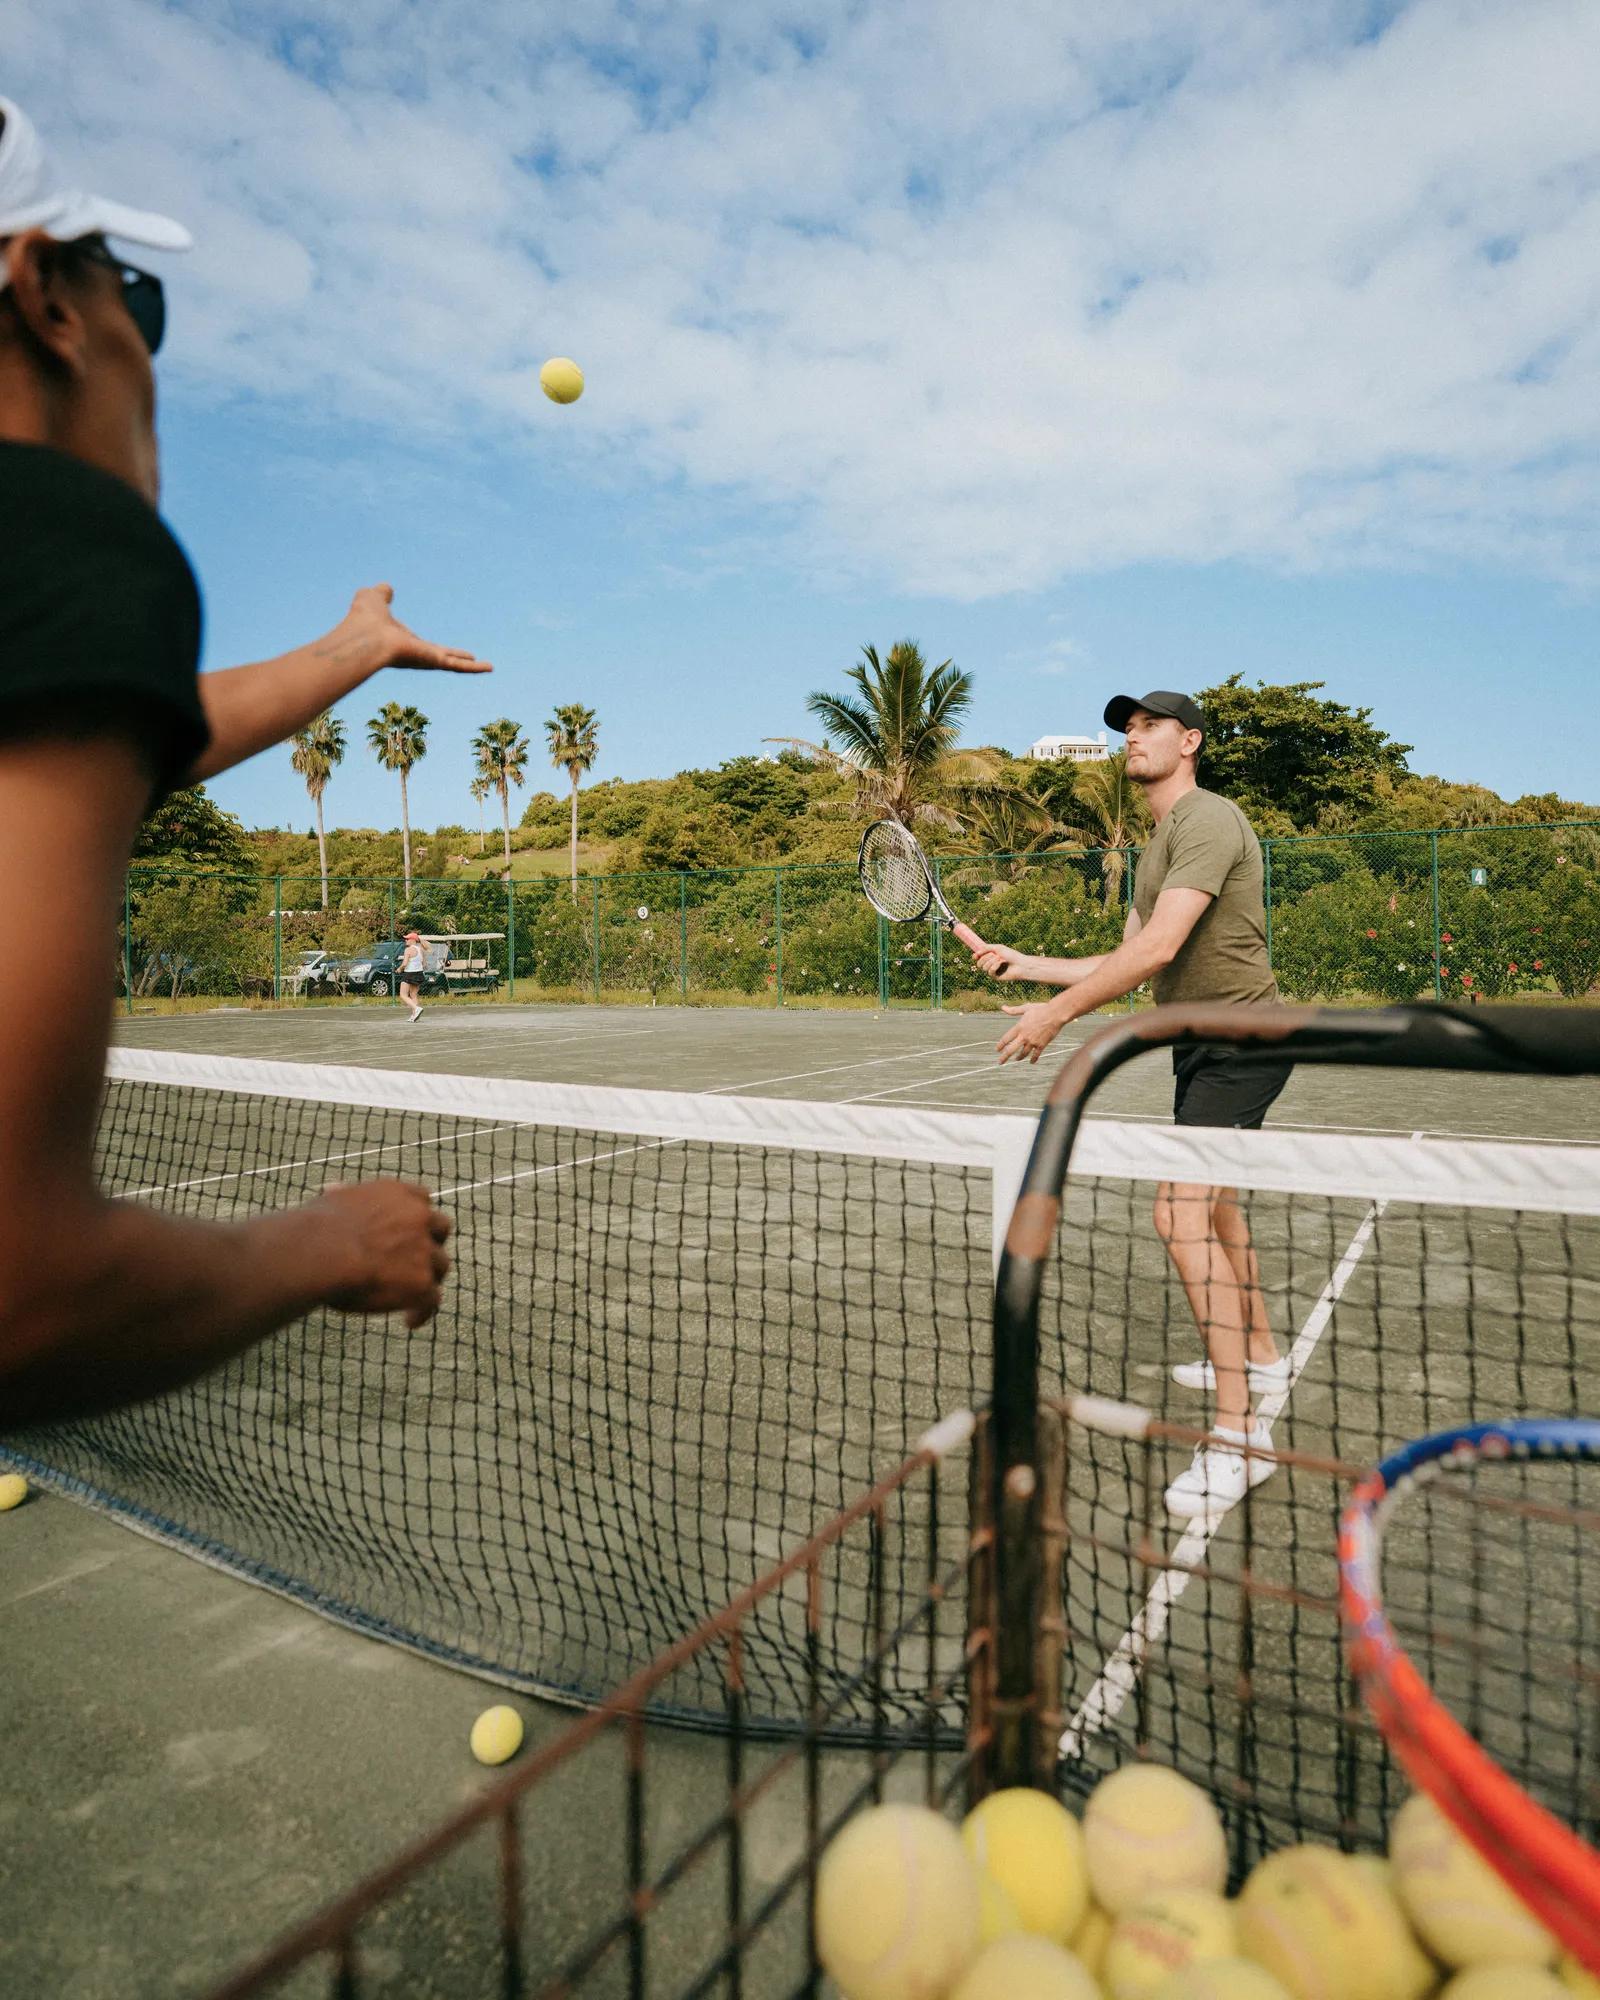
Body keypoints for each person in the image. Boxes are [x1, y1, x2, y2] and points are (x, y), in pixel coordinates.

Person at [0, 98, 492, 1425]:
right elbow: (18, 1294)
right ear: (43, 290)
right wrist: (338, 1242)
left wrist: (349, 650)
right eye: (138, 304)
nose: (141, 357)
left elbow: (85, 727)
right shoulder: (51, 524)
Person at [979, 691, 1293, 1522]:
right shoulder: (1158, 847)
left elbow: (1159, 949)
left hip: (1244, 1040)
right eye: (1126, 728)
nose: (1133, 736)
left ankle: (1240, 1435)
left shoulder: (1209, 819)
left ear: (1189, 741)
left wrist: (1057, 1016)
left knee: (1179, 1214)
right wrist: (1031, 968)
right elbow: (1125, 959)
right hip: (1201, 1041)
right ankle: (1261, 1355)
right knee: (1215, 1208)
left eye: (1150, 725)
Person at [399, 930, 428, 1023]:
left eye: (407, 939)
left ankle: (416, 1008)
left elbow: (404, 963)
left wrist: (399, 969)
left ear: (412, 940)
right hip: (419, 974)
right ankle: (414, 1016)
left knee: (403, 995)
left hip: (409, 974)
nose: (406, 940)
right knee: (413, 995)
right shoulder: (421, 950)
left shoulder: (408, 950)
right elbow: (424, 965)